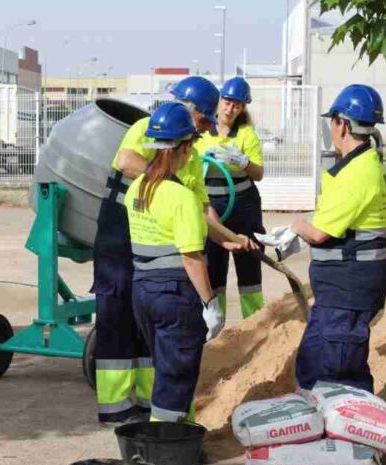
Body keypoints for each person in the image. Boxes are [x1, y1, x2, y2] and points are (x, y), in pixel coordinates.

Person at [93, 76, 251, 424]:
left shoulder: (191, 156)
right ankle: (116, 405)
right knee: (119, 312)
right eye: (204, 121)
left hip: (157, 234)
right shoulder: (150, 127)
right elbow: (126, 160)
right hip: (121, 231)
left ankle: (152, 404)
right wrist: (165, 180)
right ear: (190, 111)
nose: (205, 129)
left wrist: (226, 237)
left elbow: (202, 207)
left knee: (151, 324)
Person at [262, 84, 386, 393]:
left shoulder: (359, 172)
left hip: (349, 289)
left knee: (338, 375)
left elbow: (320, 233)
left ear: (342, 124)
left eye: (332, 122)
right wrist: (300, 234)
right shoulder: (356, 166)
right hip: (338, 291)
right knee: (312, 364)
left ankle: (352, 421)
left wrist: (297, 226)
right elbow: (335, 223)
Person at [125, 102, 227, 422]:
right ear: (183, 147)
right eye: (191, 144)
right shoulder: (181, 197)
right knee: (174, 381)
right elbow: (191, 257)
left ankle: (175, 435)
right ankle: (162, 445)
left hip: (142, 290)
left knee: (166, 370)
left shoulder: (137, 189)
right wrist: (210, 303)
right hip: (175, 296)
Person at [195, 76, 267, 320]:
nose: (230, 109)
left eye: (237, 105)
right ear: (219, 101)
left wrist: (243, 162)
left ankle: (255, 322)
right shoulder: (203, 131)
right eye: (227, 102)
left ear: (243, 107)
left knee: (249, 264)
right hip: (212, 204)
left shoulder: (247, 134)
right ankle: (216, 325)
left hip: (243, 205)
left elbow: (258, 174)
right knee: (214, 266)